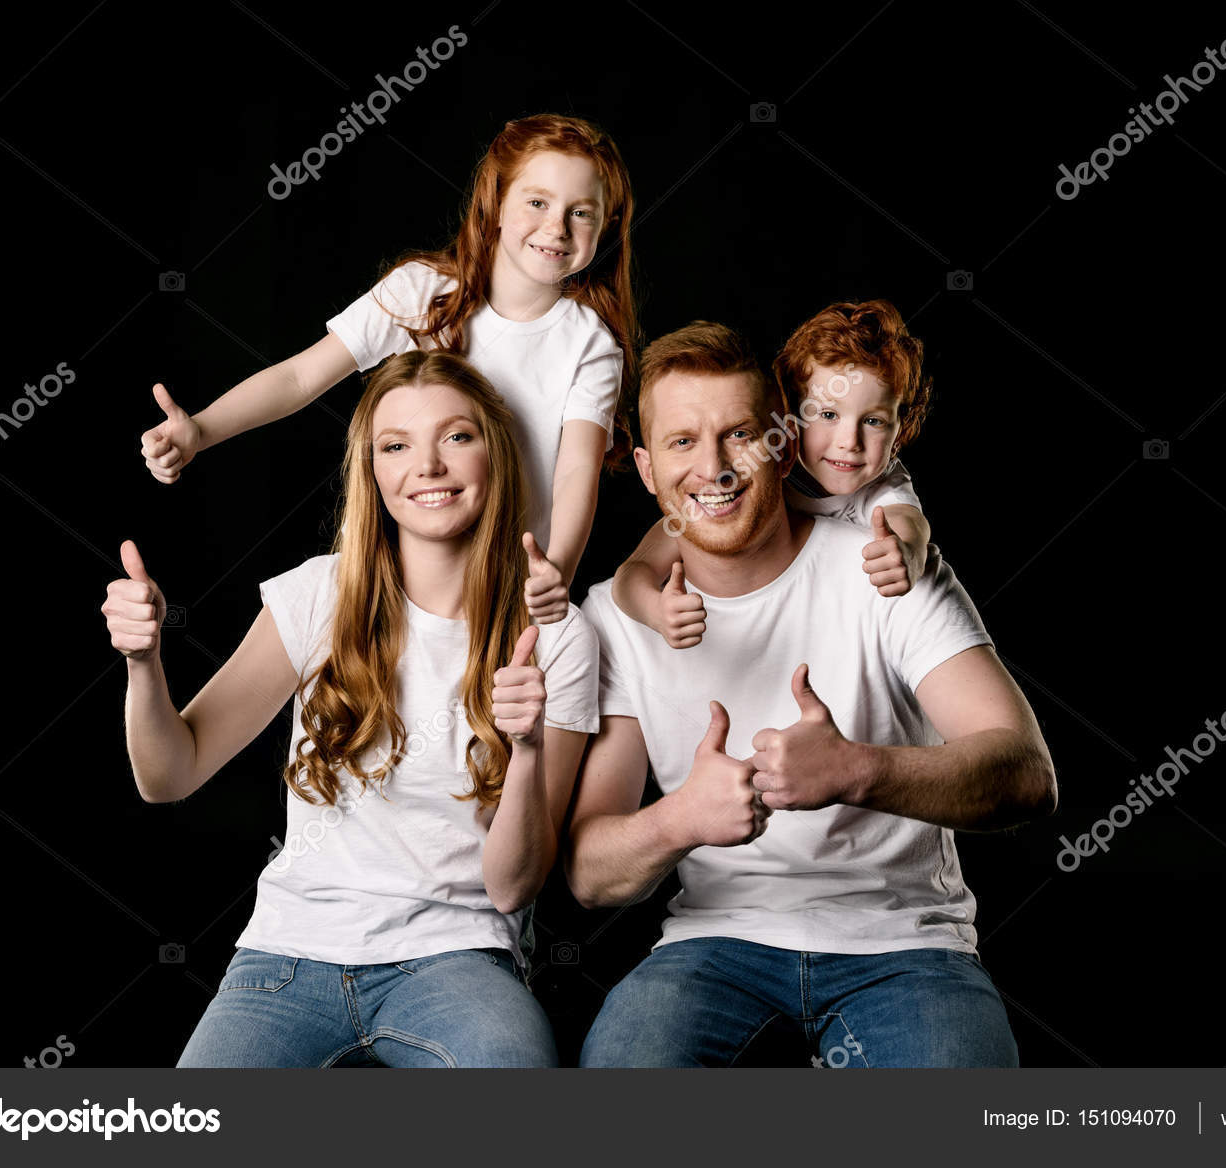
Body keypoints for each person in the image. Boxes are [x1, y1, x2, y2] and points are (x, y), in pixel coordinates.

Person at [565, 322, 1057, 1068]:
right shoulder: (616, 615)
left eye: (739, 436)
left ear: (782, 446)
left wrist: (856, 770)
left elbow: (1026, 772)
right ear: (645, 467)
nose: (714, 468)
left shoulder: (881, 565)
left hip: (902, 943)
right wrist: (681, 819)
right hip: (714, 941)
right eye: (682, 443)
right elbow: (591, 875)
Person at [103, 350, 599, 1066]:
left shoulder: (557, 636)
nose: (426, 465)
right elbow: (168, 775)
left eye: (456, 437)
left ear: (496, 455)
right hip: (288, 954)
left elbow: (513, 884)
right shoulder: (318, 596)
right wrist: (143, 665)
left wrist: (527, 750)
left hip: (456, 960)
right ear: (372, 472)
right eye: (396, 446)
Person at [139, 114, 638, 624]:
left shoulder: (590, 343)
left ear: (605, 226)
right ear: (497, 204)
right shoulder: (421, 293)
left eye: (581, 213)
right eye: (538, 202)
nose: (557, 227)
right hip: (405, 574)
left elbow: (577, 469)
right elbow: (299, 378)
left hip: (504, 591)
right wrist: (201, 430)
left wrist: (555, 575)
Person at [611, 300, 932, 647]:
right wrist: (655, 613)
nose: (848, 442)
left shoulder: (883, 484)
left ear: (899, 436)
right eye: (827, 415)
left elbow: (908, 523)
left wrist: (910, 554)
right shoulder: (763, 465)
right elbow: (631, 574)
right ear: (788, 419)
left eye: (873, 421)